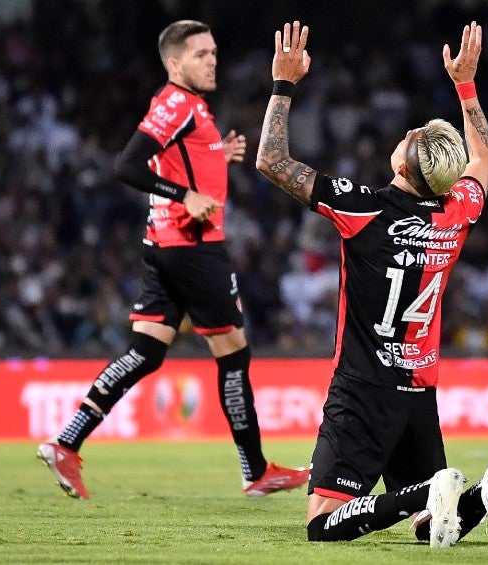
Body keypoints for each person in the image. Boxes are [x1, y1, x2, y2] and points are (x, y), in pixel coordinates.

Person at [255, 21, 488, 546]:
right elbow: (485, 158)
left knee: (321, 525)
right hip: (418, 388)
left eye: (411, 138)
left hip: (363, 384)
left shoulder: (364, 209)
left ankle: (430, 491)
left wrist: (283, 85)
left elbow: (271, 160)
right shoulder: (455, 214)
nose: (404, 136)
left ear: (407, 163)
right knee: (433, 533)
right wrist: (466, 87)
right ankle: (479, 496)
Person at [37, 19, 308, 500]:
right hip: (193, 248)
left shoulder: (189, 110)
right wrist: (185, 194)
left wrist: (214, 155)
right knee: (234, 355)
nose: (211, 61)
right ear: (174, 63)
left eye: (214, 52)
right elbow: (127, 165)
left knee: (145, 353)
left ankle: (66, 443)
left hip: (163, 246)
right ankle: (256, 470)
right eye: (200, 54)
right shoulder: (177, 104)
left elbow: (171, 157)